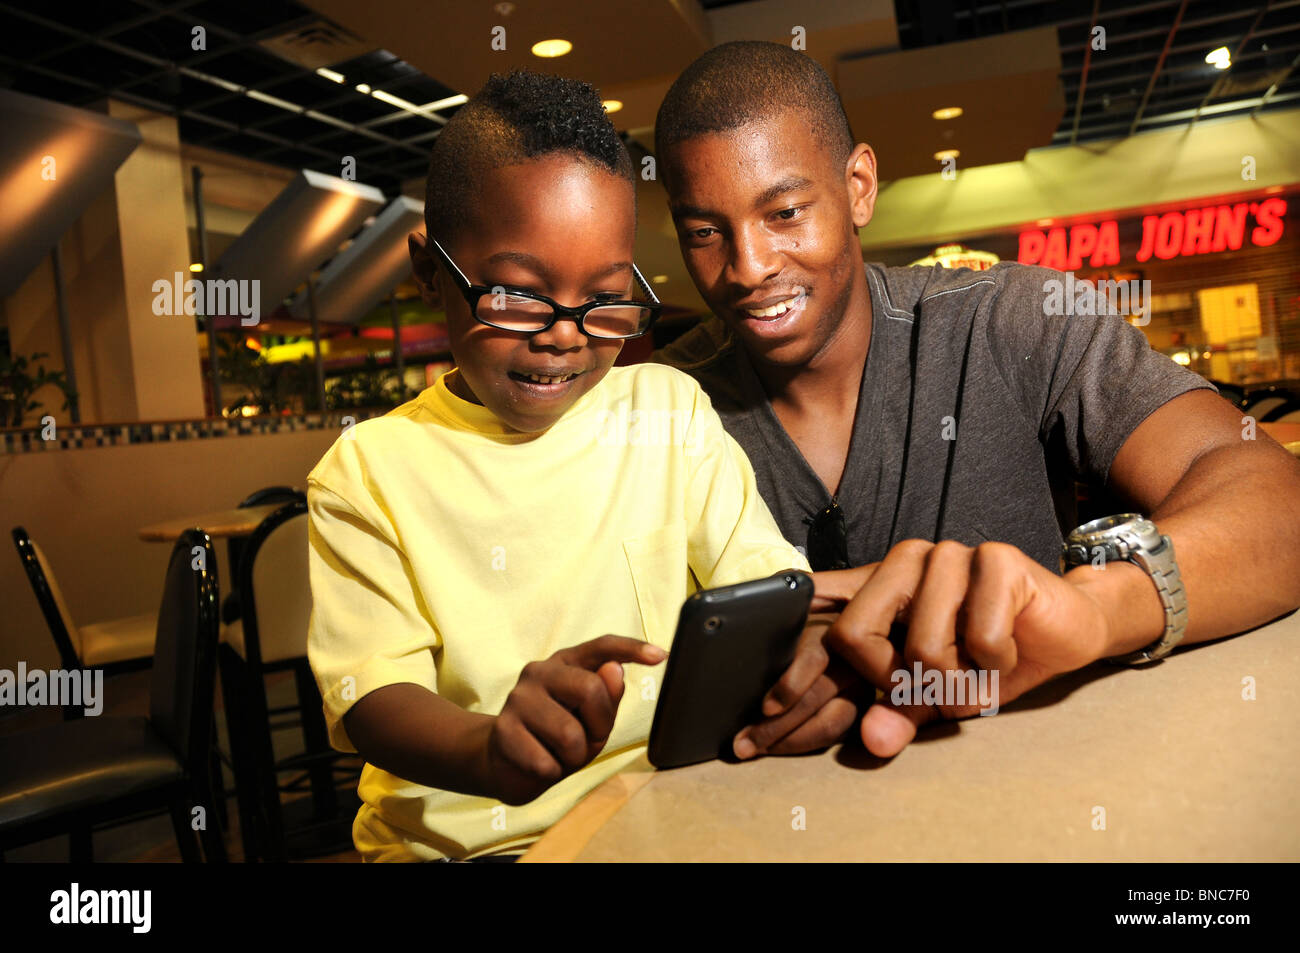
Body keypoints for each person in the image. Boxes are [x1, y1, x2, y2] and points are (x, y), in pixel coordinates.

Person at [651, 41, 1300, 761]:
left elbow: (1275, 500)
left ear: (859, 185)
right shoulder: (662, 405)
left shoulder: (1016, 320)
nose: (749, 267)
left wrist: (1096, 607)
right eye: (705, 233)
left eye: (784, 212)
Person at [305, 70, 820, 861]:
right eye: (516, 297)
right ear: (428, 268)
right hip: (473, 844)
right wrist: (488, 748)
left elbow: (764, 590)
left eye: (606, 299)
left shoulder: (667, 413)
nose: (564, 337)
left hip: (667, 807)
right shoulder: (368, 470)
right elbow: (371, 695)